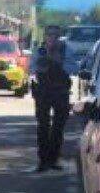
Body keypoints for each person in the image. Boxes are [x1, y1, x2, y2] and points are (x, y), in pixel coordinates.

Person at [30, 25, 72, 173]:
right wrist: (44, 59)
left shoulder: (67, 50)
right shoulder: (40, 50)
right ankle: (43, 160)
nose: (52, 38)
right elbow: (33, 68)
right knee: (43, 125)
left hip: (60, 91)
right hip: (43, 91)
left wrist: (59, 61)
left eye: (55, 35)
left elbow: (73, 68)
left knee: (58, 126)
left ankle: (54, 159)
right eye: (49, 35)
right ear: (45, 36)